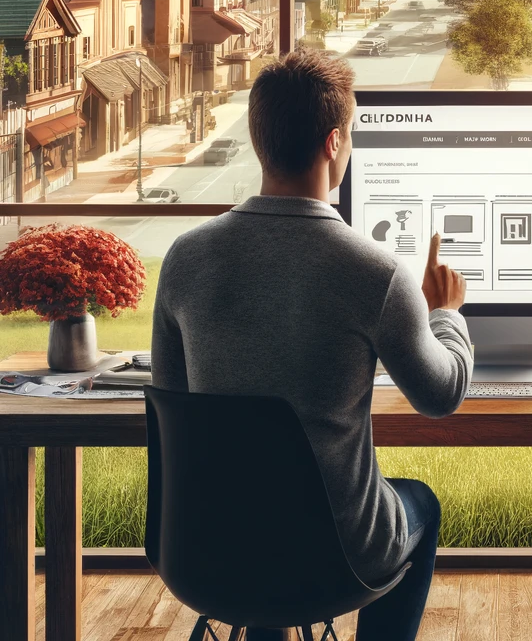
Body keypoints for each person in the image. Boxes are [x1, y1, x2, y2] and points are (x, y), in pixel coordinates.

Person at [151, 50, 472, 641]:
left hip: (206, 553)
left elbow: (172, 398)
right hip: (335, 559)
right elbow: (440, 395)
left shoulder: (184, 259)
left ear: (258, 138)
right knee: (419, 502)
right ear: (333, 143)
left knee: (262, 508)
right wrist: (445, 315)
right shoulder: (375, 272)